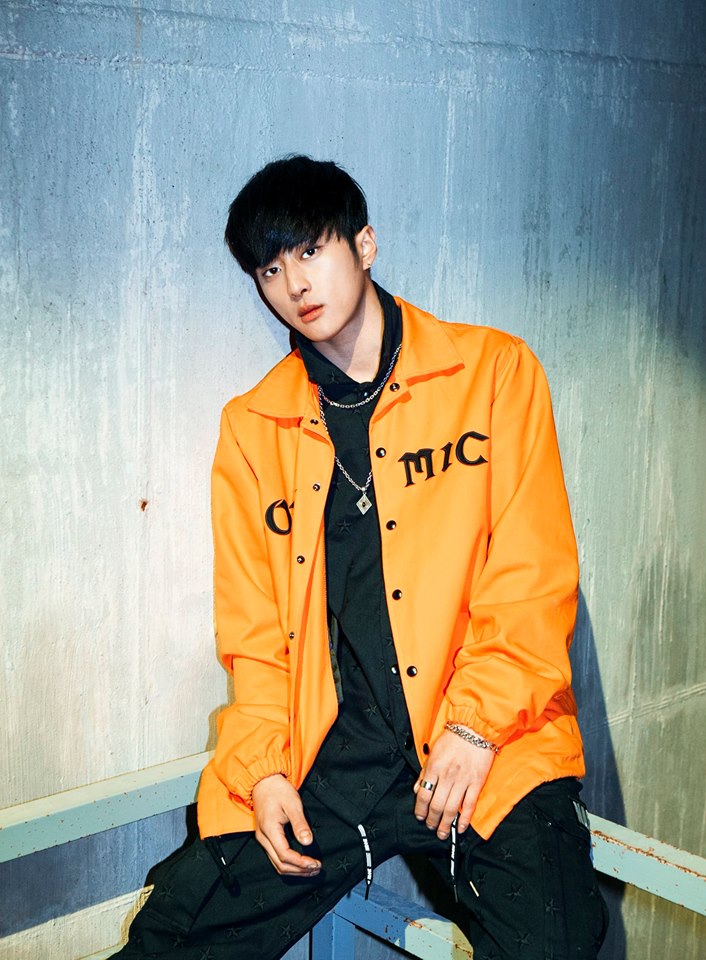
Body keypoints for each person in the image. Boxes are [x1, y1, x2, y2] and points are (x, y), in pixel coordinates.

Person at [116, 155, 607, 959]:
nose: (294, 285)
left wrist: (476, 728)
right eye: (270, 270)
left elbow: (531, 576)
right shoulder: (254, 427)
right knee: (174, 932)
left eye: (310, 251)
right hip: (337, 756)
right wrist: (265, 770)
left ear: (365, 244)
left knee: (555, 939)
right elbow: (255, 632)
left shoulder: (492, 373)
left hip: (481, 741)